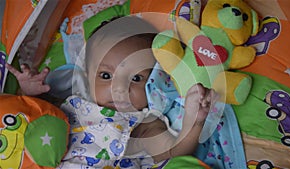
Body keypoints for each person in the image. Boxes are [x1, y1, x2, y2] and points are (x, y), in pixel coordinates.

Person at [6, 16, 218, 168]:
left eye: (136, 78)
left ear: (154, 80)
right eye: (106, 76)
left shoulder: (143, 123)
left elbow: (174, 152)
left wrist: (195, 119)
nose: (119, 89)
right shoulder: (71, 102)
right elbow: (34, 119)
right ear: (88, 76)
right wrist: (29, 92)